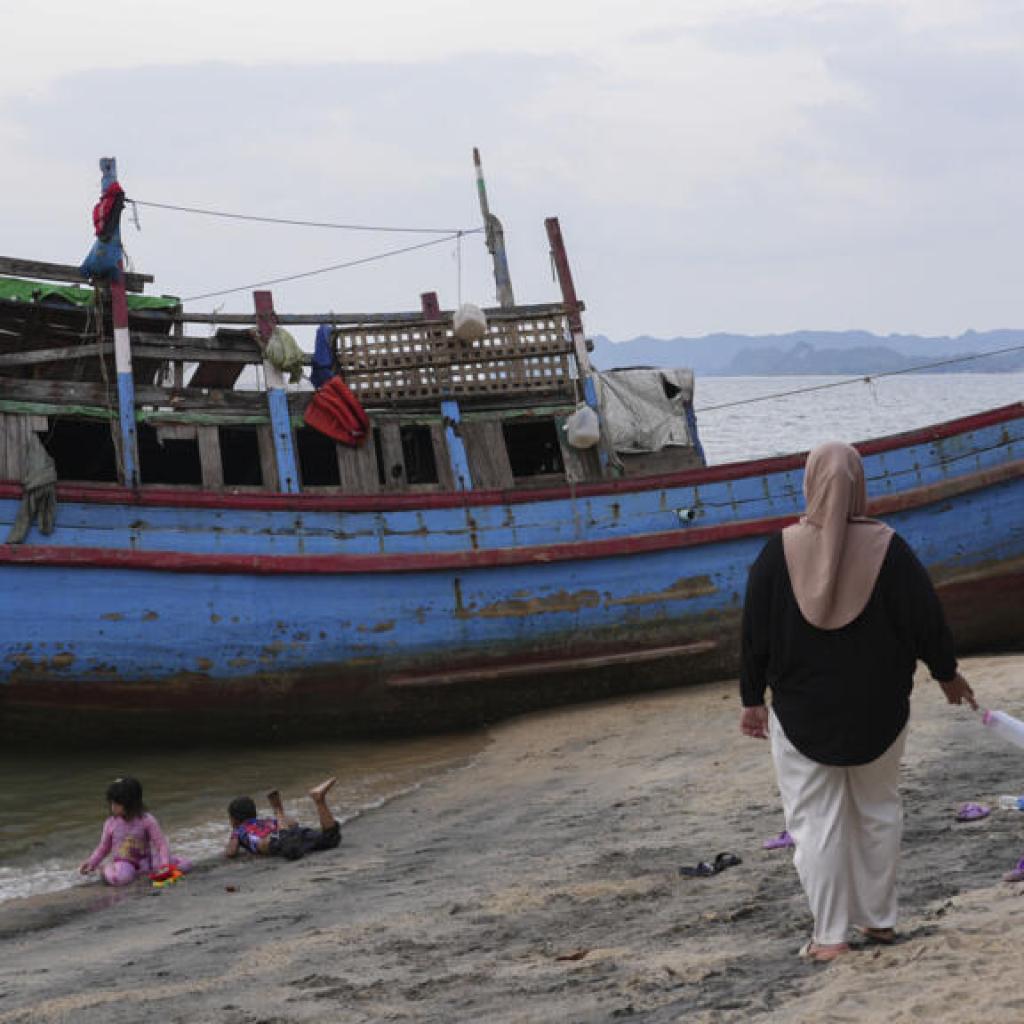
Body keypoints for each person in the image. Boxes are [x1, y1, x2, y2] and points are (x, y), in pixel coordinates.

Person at [739, 441, 976, 964]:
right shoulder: (890, 549)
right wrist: (947, 675)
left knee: (815, 822)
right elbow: (927, 620)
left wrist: (751, 699)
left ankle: (829, 936)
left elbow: (754, 632)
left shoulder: (778, 552)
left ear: (809, 483)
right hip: (880, 712)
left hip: (802, 714)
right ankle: (879, 920)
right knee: (878, 811)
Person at [79, 776, 191, 886]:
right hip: (124, 863)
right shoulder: (111, 823)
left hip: (145, 862)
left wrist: (165, 865)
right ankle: (105, 870)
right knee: (121, 879)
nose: (113, 807)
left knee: (186, 865)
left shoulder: (147, 820)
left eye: (117, 804)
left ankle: (164, 866)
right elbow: (103, 848)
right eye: (111, 803)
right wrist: (92, 863)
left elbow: (161, 844)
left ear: (131, 803)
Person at [225, 777, 341, 861]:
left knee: (292, 849)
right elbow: (293, 824)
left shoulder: (238, 830)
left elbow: (231, 852)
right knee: (330, 839)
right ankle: (320, 801)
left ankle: (278, 809)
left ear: (234, 819)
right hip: (293, 833)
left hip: (279, 840)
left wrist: (235, 841)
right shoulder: (267, 821)